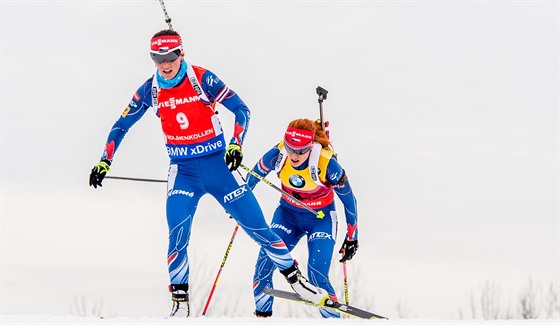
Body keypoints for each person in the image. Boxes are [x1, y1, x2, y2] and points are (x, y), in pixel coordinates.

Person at [88, 29, 328, 317]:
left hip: (219, 168)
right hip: (183, 171)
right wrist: (105, 161)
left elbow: (242, 110)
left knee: (259, 230)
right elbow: (121, 124)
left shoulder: (202, 79)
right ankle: (180, 305)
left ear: (181, 53)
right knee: (177, 233)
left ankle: (298, 282)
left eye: (170, 56)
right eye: (157, 58)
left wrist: (236, 145)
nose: (165, 64)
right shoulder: (150, 89)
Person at [247, 118, 359, 318]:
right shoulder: (277, 155)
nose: (294, 155)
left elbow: (350, 202)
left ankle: (333, 319)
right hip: (287, 215)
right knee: (263, 268)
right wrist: (240, 205)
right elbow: (251, 179)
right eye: (290, 148)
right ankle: (262, 318)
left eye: (300, 150)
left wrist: (352, 238)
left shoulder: (328, 165)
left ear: (311, 146)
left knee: (316, 275)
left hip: (321, 219)